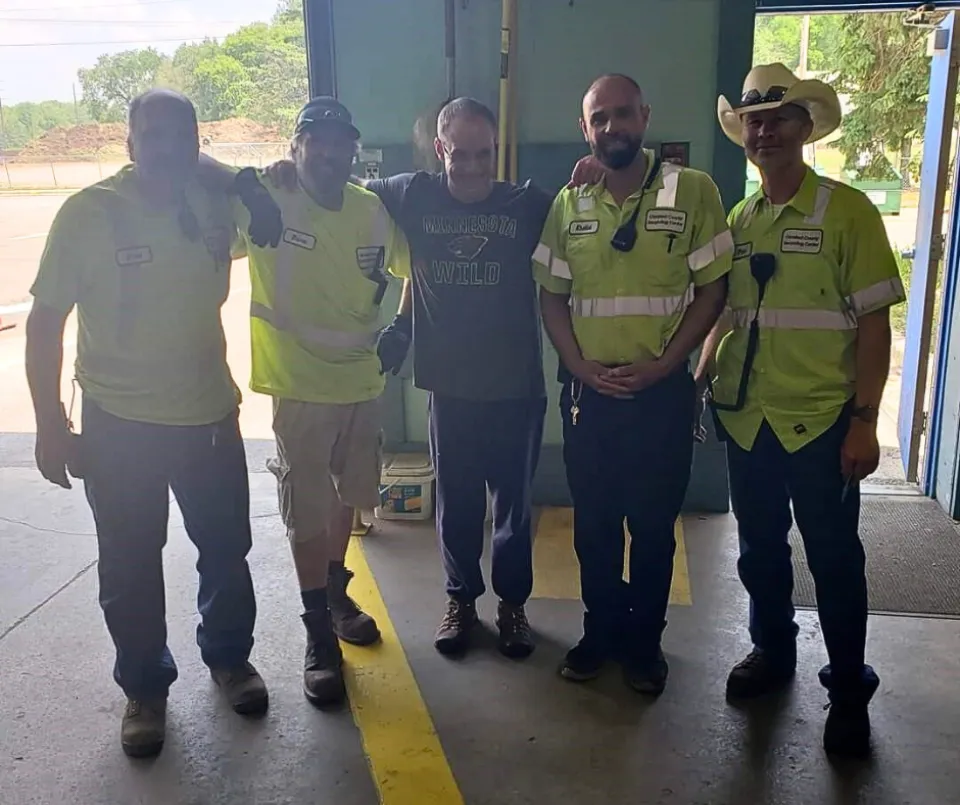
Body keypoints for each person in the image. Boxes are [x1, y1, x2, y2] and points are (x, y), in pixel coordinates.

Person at [25, 89, 282, 758]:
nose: (165, 147)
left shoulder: (214, 204)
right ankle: (145, 687)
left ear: (198, 145)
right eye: (151, 135)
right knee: (130, 564)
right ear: (130, 144)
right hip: (119, 425)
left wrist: (247, 180)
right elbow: (46, 321)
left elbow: (273, 212)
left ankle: (229, 658)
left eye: (180, 135)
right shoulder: (89, 214)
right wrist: (50, 422)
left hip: (208, 416)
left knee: (226, 548)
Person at [266, 96, 552, 660]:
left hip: (517, 387)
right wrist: (285, 176)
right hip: (449, 387)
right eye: (459, 154)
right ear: (439, 148)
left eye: (483, 154)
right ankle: (461, 601)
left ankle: (513, 606)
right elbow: (336, 195)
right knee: (458, 504)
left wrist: (590, 172)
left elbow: (581, 207)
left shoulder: (528, 204)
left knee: (514, 509)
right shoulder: (407, 195)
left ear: (496, 150)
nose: (471, 166)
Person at [695, 63, 905, 758]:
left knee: (836, 559)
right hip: (748, 417)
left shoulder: (847, 212)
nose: (764, 130)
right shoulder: (739, 219)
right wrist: (701, 381)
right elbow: (728, 314)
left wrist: (865, 420)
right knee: (758, 553)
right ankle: (772, 652)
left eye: (778, 117)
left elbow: (874, 326)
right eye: (754, 120)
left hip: (821, 425)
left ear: (804, 128)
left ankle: (847, 688)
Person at [534, 74, 733, 695]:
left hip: (660, 396)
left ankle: (645, 645)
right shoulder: (571, 202)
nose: (612, 127)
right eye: (600, 118)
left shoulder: (694, 190)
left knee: (651, 528)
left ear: (645, 116)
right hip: (590, 398)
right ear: (585, 128)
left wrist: (669, 363)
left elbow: (714, 290)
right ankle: (600, 634)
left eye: (623, 114)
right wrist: (579, 366)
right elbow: (552, 297)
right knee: (593, 527)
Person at [228, 97, 410, 707]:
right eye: (318, 141)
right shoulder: (269, 196)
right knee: (307, 515)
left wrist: (403, 327)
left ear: (352, 149)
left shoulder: (372, 210)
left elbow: (416, 269)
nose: (330, 153)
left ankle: (334, 593)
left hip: (361, 385)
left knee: (347, 505)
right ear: (296, 143)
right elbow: (193, 170)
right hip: (300, 389)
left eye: (341, 142)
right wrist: (249, 185)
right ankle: (317, 637)